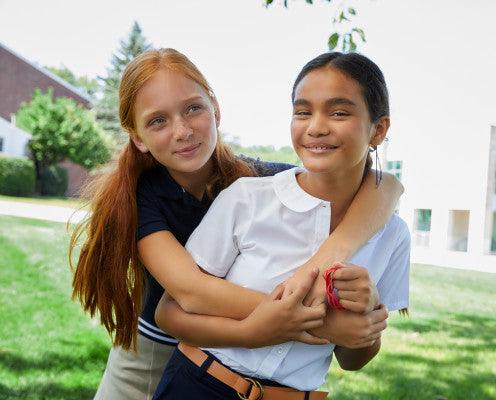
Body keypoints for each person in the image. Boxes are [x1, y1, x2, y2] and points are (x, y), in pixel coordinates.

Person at [69, 48, 403, 400]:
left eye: (193, 109)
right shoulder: (140, 197)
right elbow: (191, 291)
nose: (182, 131)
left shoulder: (254, 180)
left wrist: (333, 255)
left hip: (239, 362)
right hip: (153, 354)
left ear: (215, 109)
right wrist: (315, 321)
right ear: (137, 137)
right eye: (158, 121)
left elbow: (384, 187)